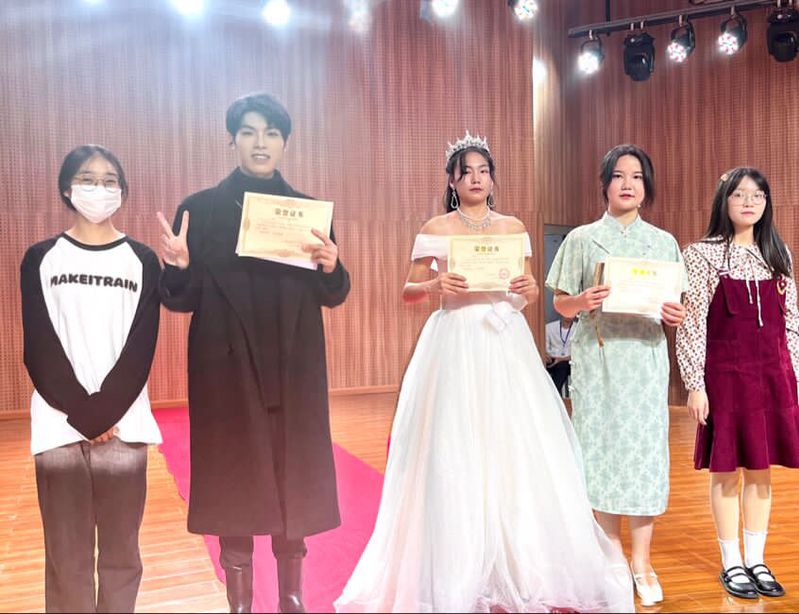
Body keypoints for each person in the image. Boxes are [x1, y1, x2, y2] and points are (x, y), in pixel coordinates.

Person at [335, 133, 633, 613]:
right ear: (452, 181)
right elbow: (409, 291)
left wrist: (528, 288)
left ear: (493, 179)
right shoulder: (436, 227)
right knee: (456, 441)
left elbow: (526, 292)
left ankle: (518, 557)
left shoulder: (513, 227)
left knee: (513, 440)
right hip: (455, 338)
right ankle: (459, 559)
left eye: (483, 171)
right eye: (466, 172)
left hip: (505, 338)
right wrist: (436, 283)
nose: (476, 178)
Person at [156, 92, 350, 614]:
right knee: (233, 478)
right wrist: (178, 266)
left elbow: (332, 293)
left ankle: (291, 598)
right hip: (226, 366)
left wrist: (332, 265)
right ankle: (239, 602)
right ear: (233, 140)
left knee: (293, 478)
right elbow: (181, 299)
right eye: (248, 132)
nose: (260, 142)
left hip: (292, 364)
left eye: (271, 133)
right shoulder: (199, 210)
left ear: (285, 143)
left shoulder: (308, 213)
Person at [20, 144, 162, 613]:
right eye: (87, 178)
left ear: (122, 190)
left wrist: (104, 412)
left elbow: (141, 346)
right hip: (58, 426)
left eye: (109, 180)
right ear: (67, 188)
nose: (99, 188)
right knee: (67, 557)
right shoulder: (41, 258)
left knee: (122, 554)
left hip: (124, 425)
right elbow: (39, 345)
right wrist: (82, 413)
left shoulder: (142, 260)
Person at [545, 144, 687, 607]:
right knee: (601, 453)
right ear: (605, 184)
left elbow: (676, 308)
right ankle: (611, 556)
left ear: (647, 187)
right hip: (600, 361)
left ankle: (642, 562)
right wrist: (581, 301)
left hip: (644, 363)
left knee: (644, 457)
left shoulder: (663, 243)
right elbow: (560, 304)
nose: (628, 184)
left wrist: (675, 315)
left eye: (637, 177)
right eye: (619, 176)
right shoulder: (582, 239)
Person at [676, 168, 799, 600]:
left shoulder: (778, 254)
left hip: (773, 375)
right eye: (740, 195)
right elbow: (691, 324)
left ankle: (757, 559)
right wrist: (695, 383)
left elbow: (792, 323)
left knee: (762, 472)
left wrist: (795, 376)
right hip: (725, 378)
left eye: (758, 195)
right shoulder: (701, 255)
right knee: (726, 470)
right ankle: (731, 561)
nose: (749, 202)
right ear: (723, 201)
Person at [544, 315, 574, 394]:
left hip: (569, 360)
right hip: (552, 359)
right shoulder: (549, 327)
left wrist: (561, 359)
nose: (569, 315)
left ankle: (554, 394)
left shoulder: (578, 328)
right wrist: (547, 356)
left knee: (562, 366)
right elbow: (545, 348)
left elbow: (580, 352)